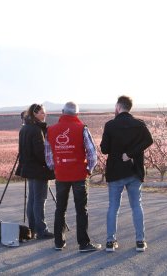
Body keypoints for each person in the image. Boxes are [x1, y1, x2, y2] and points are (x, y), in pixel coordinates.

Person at [45, 101, 101, 252]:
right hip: (79, 175)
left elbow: (48, 155)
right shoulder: (82, 128)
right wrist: (88, 169)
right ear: (77, 114)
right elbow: (92, 153)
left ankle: (59, 242)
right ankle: (83, 244)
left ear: (62, 112)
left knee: (60, 209)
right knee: (81, 210)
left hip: (61, 175)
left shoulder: (50, 130)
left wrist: (55, 168)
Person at [100, 95, 153, 252]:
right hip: (134, 171)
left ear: (118, 106)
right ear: (129, 107)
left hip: (115, 171)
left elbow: (104, 149)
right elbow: (149, 140)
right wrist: (131, 153)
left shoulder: (110, 125)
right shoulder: (139, 124)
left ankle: (110, 242)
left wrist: (120, 150)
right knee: (137, 206)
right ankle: (140, 241)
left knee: (113, 208)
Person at [15, 104, 55, 239]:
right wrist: (50, 164)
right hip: (39, 170)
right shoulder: (36, 130)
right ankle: (41, 230)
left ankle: (32, 229)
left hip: (29, 169)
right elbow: (40, 153)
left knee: (32, 199)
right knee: (39, 200)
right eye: (43, 112)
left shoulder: (24, 128)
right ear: (35, 113)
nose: (45, 115)